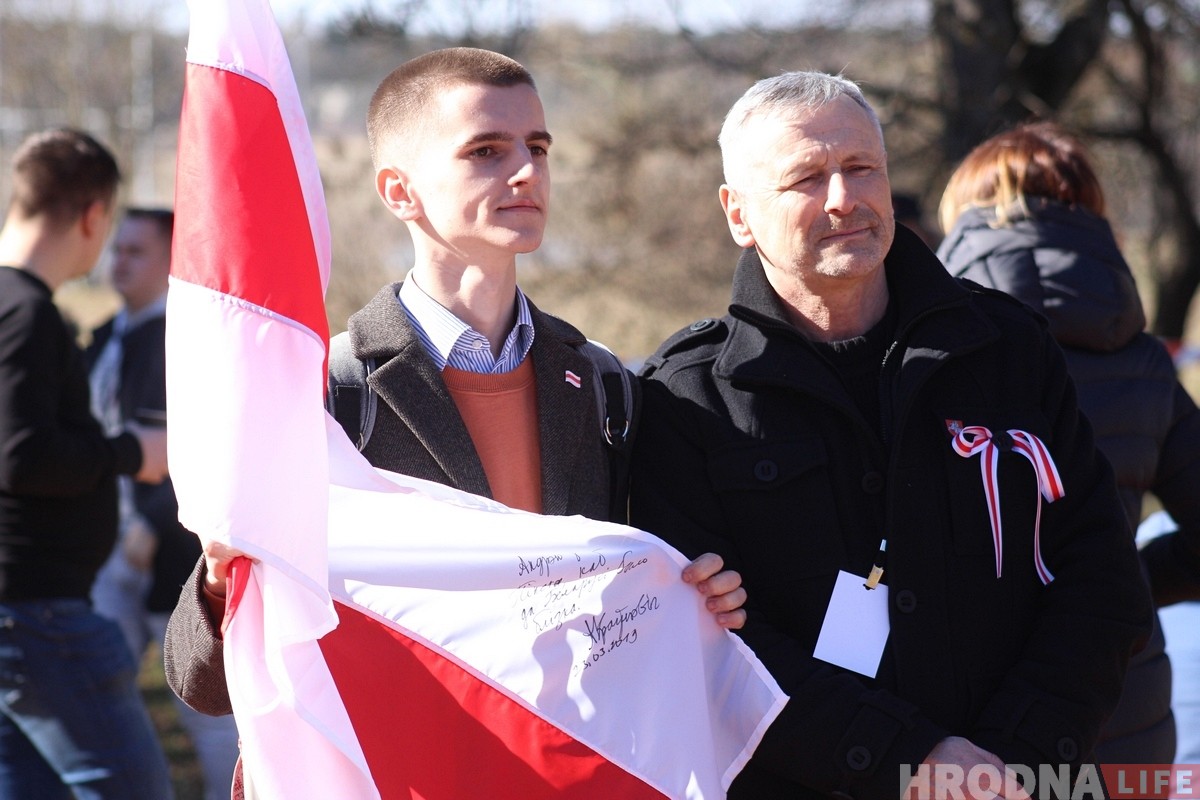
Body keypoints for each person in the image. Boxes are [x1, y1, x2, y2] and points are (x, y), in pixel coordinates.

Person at [163, 48, 746, 794]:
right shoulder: (324, 395)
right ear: (399, 190)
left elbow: (617, 600)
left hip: (555, 772)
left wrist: (696, 595)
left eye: (538, 147)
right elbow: (197, 680)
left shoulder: (605, 383)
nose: (527, 172)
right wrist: (223, 583)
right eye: (485, 151)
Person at [628, 71, 1153, 799]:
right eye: (806, 178)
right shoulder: (684, 401)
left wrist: (1013, 757)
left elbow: (1100, 575)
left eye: (861, 168)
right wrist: (906, 761)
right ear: (738, 213)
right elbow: (708, 647)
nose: (843, 198)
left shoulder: (1008, 350)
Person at [936, 120, 1200, 765]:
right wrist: (1129, 575)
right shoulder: (1145, 360)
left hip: (980, 709)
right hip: (1128, 699)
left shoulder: (933, 349)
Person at [0, 129, 173, 798]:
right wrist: (135, 453)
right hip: (39, 614)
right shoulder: (27, 316)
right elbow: (20, 455)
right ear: (93, 214)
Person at [87, 207, 240, 800]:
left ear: (169, 259)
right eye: (116, 249)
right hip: (101, 551)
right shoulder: (101, 337)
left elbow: (208, 443)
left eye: (135, 251)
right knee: (97, 694)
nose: (118, 261)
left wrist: (152, 523)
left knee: (202, 702)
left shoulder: (189, 343)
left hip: (175, 553)